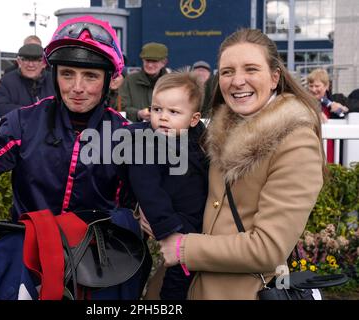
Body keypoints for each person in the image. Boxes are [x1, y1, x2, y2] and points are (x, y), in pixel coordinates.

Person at [0, 15, 150, 300]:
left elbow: (146, 197)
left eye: (90, 76)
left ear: (108, 80)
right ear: (55, 75)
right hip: (30, 251)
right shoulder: (24, 122)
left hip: (101, 260)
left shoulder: (127, 135)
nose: (77, 87)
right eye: (67, 74)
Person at [158, 28, 325, 299]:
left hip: (245, 291)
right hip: (192, 286)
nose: (237, 81)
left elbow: (267, 248)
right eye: (227, 72)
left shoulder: (296, 143)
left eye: (250, 69)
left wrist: (185, 248)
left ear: (274, 78)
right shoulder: (221, 130)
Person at [126, 71, 208, 299]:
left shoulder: (199, 140)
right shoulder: (148, 146)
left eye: (173, 112)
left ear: (194, 119)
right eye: (157, 109)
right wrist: (168, 230)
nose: (162, 117)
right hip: (177, 225)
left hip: (201, 224)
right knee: (177, 283)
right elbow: (148, 192)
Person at [0, 43, 54, 117]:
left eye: (36, 60)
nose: (30, 65)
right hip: (18, 127)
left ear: (44, 63)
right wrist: (34, 112)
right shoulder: (7, 81)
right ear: (19, 62)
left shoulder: (54, 81)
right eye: (26, 60)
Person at [119, 42, 169, 122]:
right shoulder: (130, 80)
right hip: (137, 131)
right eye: (147, 61)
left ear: (164, 62)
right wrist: (138, 113)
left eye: (154, 61)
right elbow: (120, 107)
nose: (150, 65)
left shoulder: (172, 83)